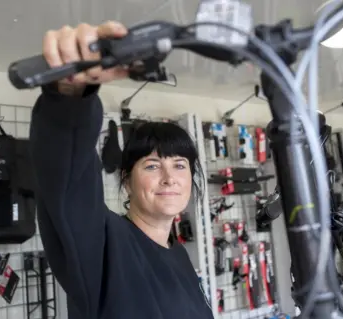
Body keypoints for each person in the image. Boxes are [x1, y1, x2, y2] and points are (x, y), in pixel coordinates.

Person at [29, 20, 214, 319]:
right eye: (152, 165)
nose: (169, 178)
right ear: (127, 181)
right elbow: (68, 180)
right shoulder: (105, 244)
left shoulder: (177, 253)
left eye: (179, 165)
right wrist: (68, 96)